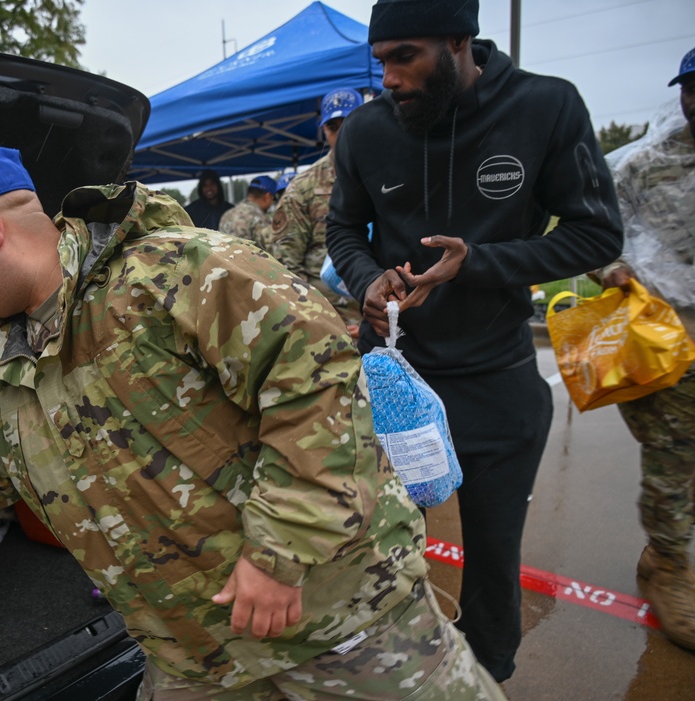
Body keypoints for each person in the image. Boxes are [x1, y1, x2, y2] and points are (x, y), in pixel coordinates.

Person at [0, 145, 507, 700]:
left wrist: (279, 553)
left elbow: (317, 378)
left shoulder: (178, 271)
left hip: (343, 619)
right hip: (198, 664)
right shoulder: (4, 379)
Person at [325, 0, 623, 683]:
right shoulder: (369, 132)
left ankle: (489, 675)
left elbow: (596, 233)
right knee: (374, 540)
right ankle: (386, 673)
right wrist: (368, 277)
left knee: (491, 554)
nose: (390, 79)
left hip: (496, 377)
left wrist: (480, 262)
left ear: (459, 41)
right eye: (381, 62)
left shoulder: (544, 108)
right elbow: (344, 229)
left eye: (406, 57)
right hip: (397, 377)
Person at [599, 46, 695, 652]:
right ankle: (669, 563)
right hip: (664, 335)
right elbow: (598, 230)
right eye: (690, 88)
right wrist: (612, 268)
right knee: (673, 455)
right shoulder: (645, 164)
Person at [272, 88, 364, 337]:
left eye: (349, 123)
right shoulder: (304, 188)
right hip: (330, 322)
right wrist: (322, 319)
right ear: (323, 131)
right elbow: (286, 267)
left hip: (385, 316)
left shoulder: (387, 175)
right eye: (333, 128)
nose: (342, 133)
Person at [217, 174, 276, 249]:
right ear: (267, 197)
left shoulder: (226, 215)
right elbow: (270, 251)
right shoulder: (259, 219)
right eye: (272, 199)